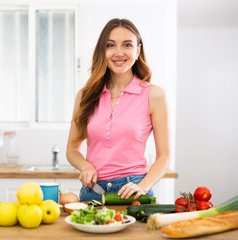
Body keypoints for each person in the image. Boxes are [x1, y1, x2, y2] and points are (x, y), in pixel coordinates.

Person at [66, 18, 170, 202]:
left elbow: (165, 157)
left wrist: (142, 186)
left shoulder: (154, 95)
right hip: (93, 192)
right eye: (111, 45)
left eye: (127, 45)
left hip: (134, 190)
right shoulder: (85, 96)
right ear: (102, 51)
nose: (119, 52)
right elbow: (72, 150)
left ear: (137, 51)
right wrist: (86, 167)